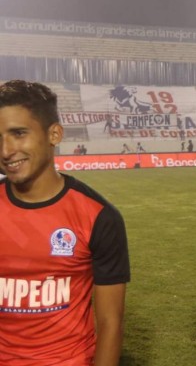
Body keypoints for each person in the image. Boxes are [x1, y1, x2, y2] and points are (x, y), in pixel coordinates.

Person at [0, 80, 130, 365]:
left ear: (54, 134)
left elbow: (110, 323)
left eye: (18, 133)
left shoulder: (100, 217)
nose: (6, 150)